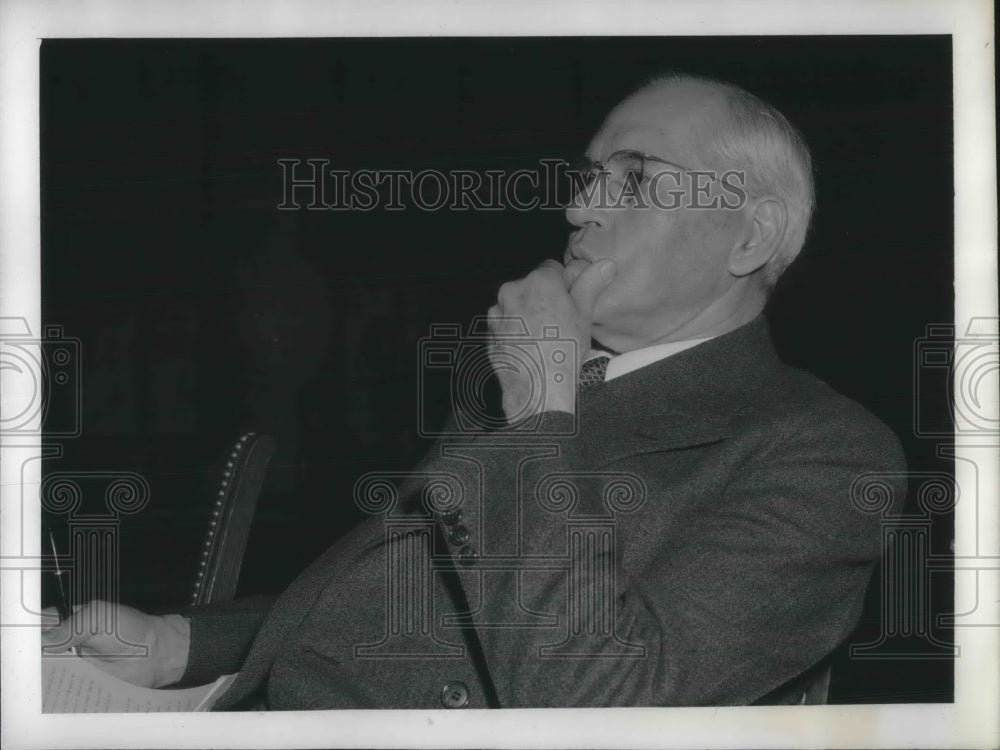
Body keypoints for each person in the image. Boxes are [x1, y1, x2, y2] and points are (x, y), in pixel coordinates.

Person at [43, 73, 907, 708]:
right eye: (588, 176)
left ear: (749, 236)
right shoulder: (546, 385)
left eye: (636, 179)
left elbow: (603, 700)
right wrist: (181, 643)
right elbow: (400, 593)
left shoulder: (822, 450)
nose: (578, 209)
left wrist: (540, 403)